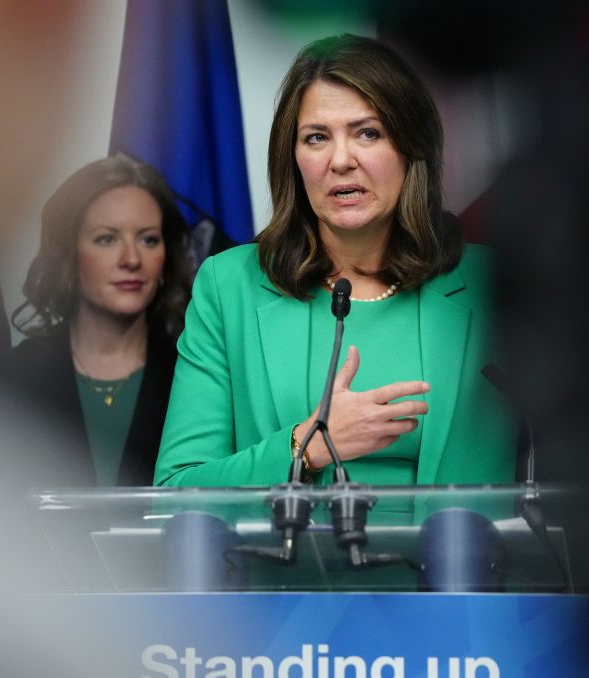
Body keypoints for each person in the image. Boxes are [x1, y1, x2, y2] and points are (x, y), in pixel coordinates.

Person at [154, 34, 516, 488]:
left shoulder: (494, 282)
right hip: (286, 558)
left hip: (458, 559)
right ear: (293, 158)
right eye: (317, 137)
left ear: (411, 148)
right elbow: (177, 489)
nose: (341, 160)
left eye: (368, 132)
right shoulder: (230, 286)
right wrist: (310, 445)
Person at [9, 154, 193, 487]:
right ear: (67, 255)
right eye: (107, 239)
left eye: (148, 239)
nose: (132, 259)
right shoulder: (15, 375)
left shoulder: (193, 378)